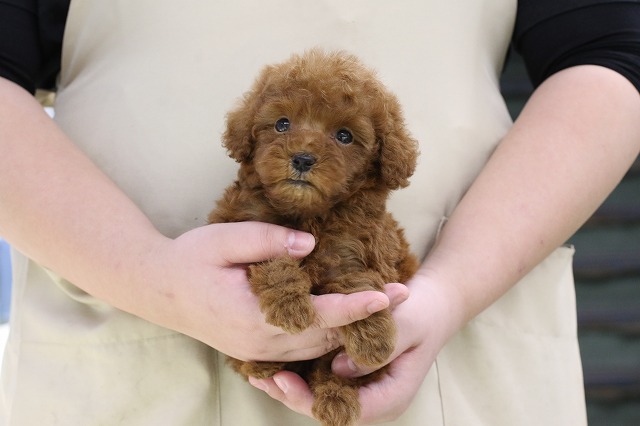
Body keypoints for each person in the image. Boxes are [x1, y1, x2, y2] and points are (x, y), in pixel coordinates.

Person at [1, 0, 639, 424]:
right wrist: (143, 272)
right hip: (122, 342)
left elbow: (615, 54)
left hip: (437, 341)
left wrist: (452, 290)